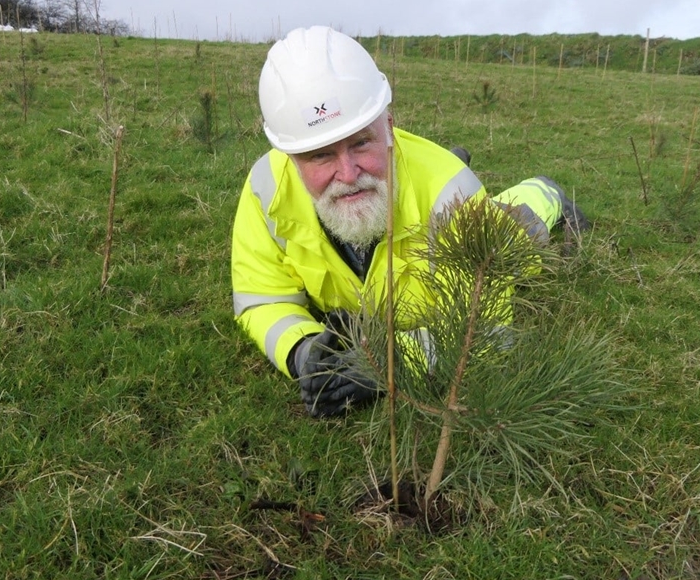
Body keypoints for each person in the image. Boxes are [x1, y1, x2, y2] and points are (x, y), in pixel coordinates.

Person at [231, 26, 588, 418]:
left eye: (361, 143)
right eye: (321, 156)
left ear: (389, 125)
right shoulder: (266, 187)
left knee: (516, 231)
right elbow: (263, 298)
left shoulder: (453, 196)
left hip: (461, 208)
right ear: (291, 156)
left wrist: (386, 364)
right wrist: (303, 352)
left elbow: (485, 330)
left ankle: (546, 191)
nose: (348, 174)